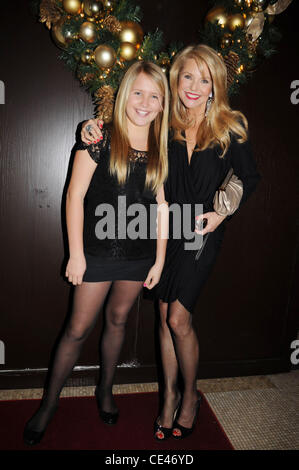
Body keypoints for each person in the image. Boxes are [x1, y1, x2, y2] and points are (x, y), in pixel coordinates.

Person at [80, 44, 261, 441]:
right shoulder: (167, 125)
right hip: (166, 231)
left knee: (179, 319)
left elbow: (249, 177)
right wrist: (89, 127)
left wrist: (221, 210)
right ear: (176, 80)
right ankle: (167, 400)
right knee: (163, 320)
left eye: (205, 78)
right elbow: (128, 124)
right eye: (187, 76)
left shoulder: (230, 126)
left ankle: (190, 396)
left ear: (216, 84)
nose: (194, 86)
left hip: (202, 233)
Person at [23, 60, 169, 446]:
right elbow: (74, 195)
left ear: (162, 103)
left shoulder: (161, 145)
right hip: (96, 251)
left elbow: (164, 206)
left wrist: (159, 259)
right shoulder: (99, 136)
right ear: (124, 94)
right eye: (138, 92)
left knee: (119, 321)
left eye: (154, 95)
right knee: (77, 328)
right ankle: (48, 405)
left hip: (139, 253)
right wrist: (75, 254)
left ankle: (105, 390)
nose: (145, 101)